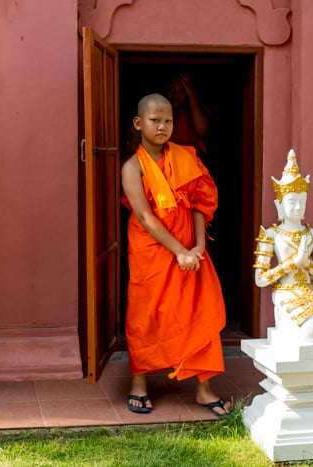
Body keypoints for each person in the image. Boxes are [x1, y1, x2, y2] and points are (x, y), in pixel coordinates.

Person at [120, 93, 231, 417]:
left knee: (199, 311)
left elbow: (200, 203)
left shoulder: (187, 157)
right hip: (152, 250)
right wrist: (179, 251)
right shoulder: (132, 167)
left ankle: (204, 389)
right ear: (140, 124)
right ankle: (139, 384)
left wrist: (198, 247)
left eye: (168, 120)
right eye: (155, 120)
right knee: (146, 313)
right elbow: (145, 217)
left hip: (190, 251)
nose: (163, 126)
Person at [253, 149, 313, 342]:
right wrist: (294, 262)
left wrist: (306, 263)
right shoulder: (271, 235)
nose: (298, 207)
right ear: (279, 205)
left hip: (309, 292)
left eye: (302, 201)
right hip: (285, 292)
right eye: (292, 202)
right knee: (311, 331)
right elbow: (261, 279)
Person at [165, 72, 211, 157]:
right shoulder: (160, 113)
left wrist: (190, 93)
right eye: (171, 90)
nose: (175, 95)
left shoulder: (195, 113)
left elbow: (202, 130)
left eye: (182, 90)